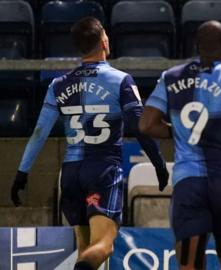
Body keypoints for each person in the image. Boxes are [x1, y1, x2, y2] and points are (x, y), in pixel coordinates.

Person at [9, 17, 169, 270]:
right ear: (104, 41)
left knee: (86, 250)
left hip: (70, 174)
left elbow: (39, 133)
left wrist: (22, 173)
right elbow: (140, 127)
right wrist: (159, 164)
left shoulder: (57, 85)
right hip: (103, 170)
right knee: (105, 245)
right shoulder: (121, 80)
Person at [139, 20, 221, 270]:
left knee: (189, 266)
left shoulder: (169, 77)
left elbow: (146, 125)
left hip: (188, 183)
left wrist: (181, 132)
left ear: (197, 46)